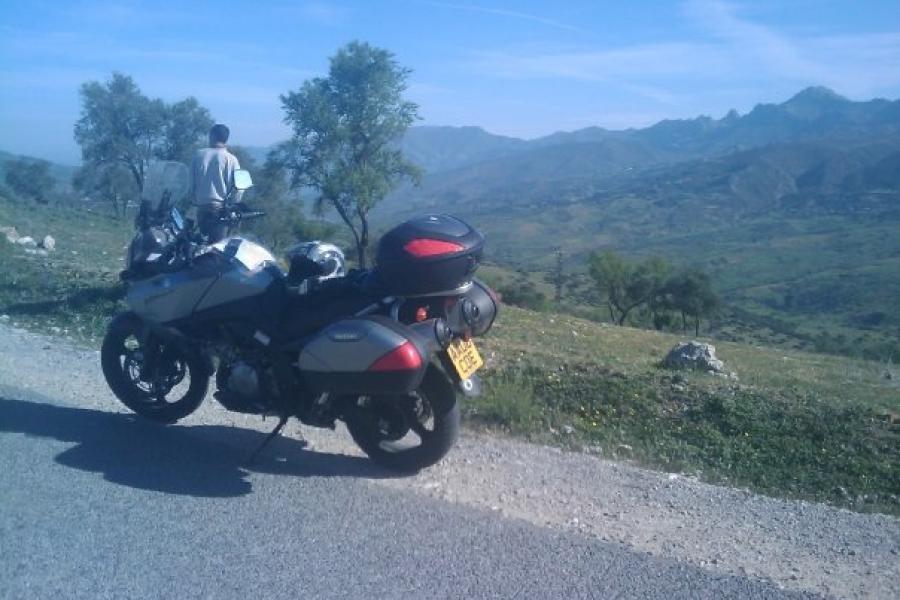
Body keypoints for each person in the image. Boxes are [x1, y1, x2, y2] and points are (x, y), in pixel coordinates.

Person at [191, 124, 241, 243]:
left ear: (212, 136)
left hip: (201, 209)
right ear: (226, 139)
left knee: (200, 246)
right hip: (220, 211)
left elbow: (191, 185)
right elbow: (239, 188)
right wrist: (233, 205)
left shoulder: (198, 155)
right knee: (218, 247)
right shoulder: (231, 159)